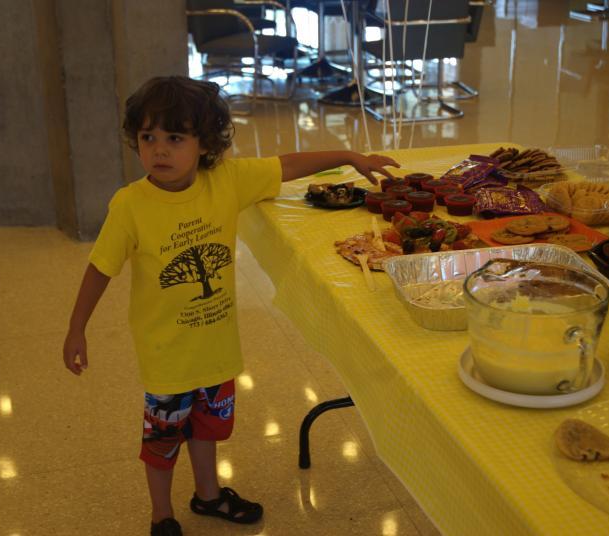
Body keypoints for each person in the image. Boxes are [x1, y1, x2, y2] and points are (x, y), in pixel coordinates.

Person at [62, 75, 399, 536]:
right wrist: (76, 328)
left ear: (204, 145)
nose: (159, 150)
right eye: (148, 137)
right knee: (161, 444)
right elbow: (100, 268)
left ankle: (208, 495)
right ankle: (161, 516)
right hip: (167, 359)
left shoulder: (227, 181)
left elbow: (285, 166)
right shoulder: (130, 205)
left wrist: (346, 155)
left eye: (174, 138)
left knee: (207, 431)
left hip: (217, 352)